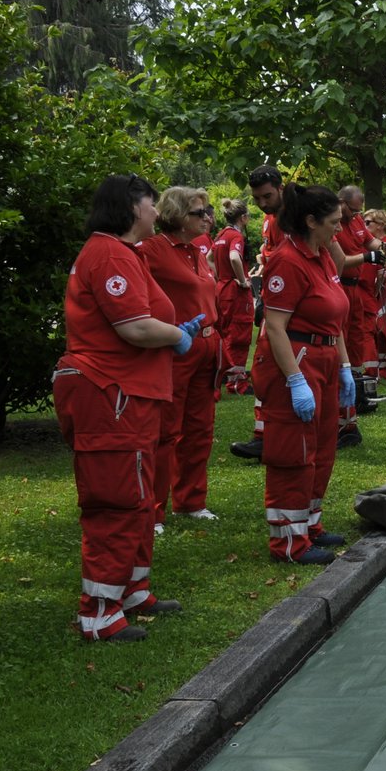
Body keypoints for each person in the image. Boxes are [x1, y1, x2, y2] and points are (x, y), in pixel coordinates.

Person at [55, 174, 201, 641]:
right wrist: (178, 335)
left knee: (138, 497)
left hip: (128, 395)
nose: (157, 212)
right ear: (130, 207)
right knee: (116, 500)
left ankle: (131, 589)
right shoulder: (110, 254)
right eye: (150, 203)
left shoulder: (125, 254)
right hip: (109, 395)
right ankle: (98, 613)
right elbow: (135, 328)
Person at [254, 183, 354, 565]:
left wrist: (344, 366)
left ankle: (310, 525)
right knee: (294, 451)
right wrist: (295, 380)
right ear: (311, 221)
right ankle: (288, 541)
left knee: (323, 448)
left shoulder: (321, 256)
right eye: (333, 223)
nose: (339, 230)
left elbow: (334, 318)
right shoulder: (287, 261)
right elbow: (275, 326)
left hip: (325, 358)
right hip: (296, 360)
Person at [143, 186, 226, 532]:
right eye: (198, 212)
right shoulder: (151, 250)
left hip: (207, 348)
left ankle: (191, 501)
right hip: (177, 349)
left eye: (207, 212)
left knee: (200, 429)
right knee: (166, 431)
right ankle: (154, 509)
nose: (207, 218)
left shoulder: (197, 251)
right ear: (176, 215)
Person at [229, 165, 288, 461]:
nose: (263, 203)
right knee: (264, 370)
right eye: (257, 199)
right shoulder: (270, 219)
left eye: (267, 196)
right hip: (273, 299)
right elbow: (269, 257)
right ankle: (265, 436)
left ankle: (277, 436)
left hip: (290, 305)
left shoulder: (294, 218)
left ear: (280, 187)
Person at [330, 185, 385, 447]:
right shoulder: (331, 223)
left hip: (354, 290)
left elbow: (369, 241)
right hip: (340, 285)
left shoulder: (354, 220)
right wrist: (367, 256)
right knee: (339, 347)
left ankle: (353, 404)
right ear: (340, 202)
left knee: (355, 344)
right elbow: (339, 261)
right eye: (353, 209)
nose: (356, 215)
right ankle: (342, 414)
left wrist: (383, 246)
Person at [213, 199, 255, 395]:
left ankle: (223, 376)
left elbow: (208, 260)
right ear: (243, 217)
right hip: (235, 291)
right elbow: (234, 257)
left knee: (225, 332)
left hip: (221, 288)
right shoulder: (236, 237)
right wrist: (242, 280)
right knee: (238, 335)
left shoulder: (220, 235)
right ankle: (237, 383)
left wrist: (220, 276)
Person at [363, 209, 386, 383]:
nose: (364, 225)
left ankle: (383, 369)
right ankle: (380, 367)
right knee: (378, 329)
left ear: (381, 225)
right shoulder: (371, 243)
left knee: (382, 329)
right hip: (375, 291)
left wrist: (377, 290)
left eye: (368, 222)